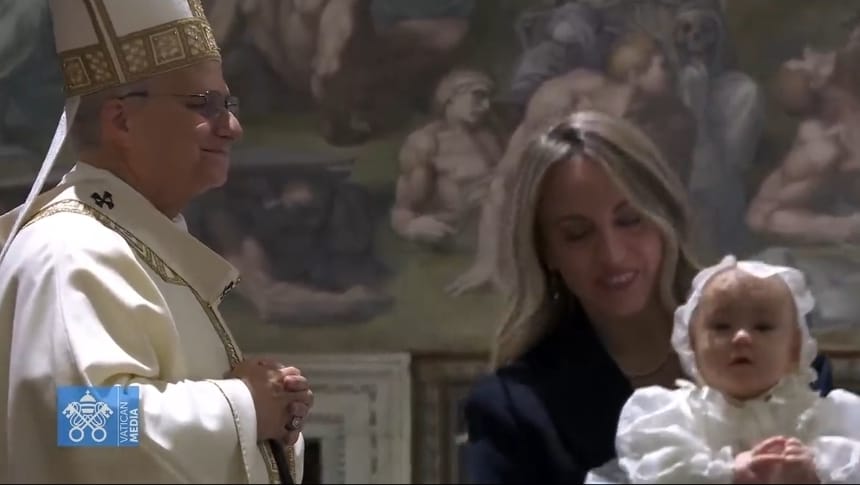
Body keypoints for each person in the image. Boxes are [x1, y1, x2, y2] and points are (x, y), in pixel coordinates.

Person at [0, 0, 311, 483]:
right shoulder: (70, 249)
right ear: (121, 121)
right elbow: (81, 423)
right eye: (203, 105)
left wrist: (272, 410)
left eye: (228, 106)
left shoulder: (127, 240)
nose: (232, 128)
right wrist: (246, 405)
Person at [462, 110, 834, 484]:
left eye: (630, 220)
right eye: (577, 234)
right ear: (546, 251)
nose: (612, 255)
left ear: (664, 217)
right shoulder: (512, 409)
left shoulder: (785, 358)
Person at [586, 255, 860, 484]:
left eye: (763, 327)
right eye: (721, 327)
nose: (741, 337)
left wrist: (815, 472)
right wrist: (726, 473)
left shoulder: (828, 419)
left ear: (795, 348)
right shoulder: (673, 418)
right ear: (692, 345)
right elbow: (660, 473)